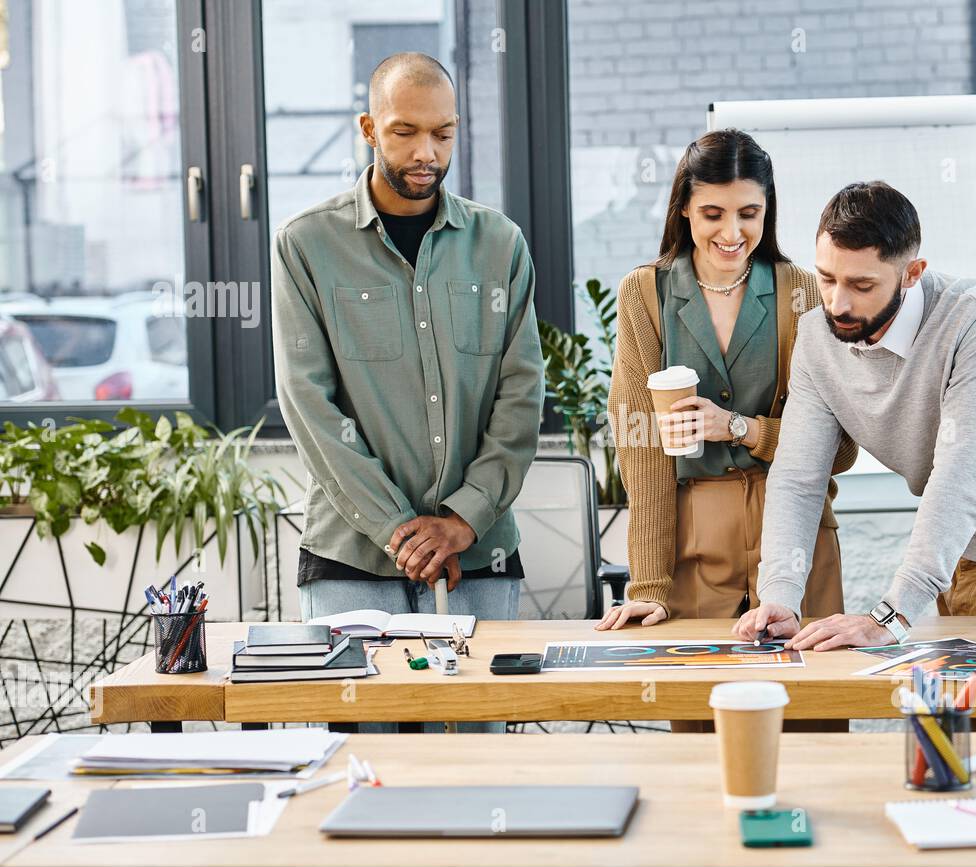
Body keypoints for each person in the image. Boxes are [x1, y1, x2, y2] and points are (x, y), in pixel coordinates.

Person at [271, 53, 543, 732]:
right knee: (361, 763)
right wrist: (399, 531)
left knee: (473, 758)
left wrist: (463, 517)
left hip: (478, 555)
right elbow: (308, 403)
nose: (426, 153)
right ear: (368, 128)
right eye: (405, 132)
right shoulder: (304, 246)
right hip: (348, 564)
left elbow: (521, 396)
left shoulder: (500, 244)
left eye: (443, 134)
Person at [735, 180, 976, 666]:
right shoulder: (818, 336)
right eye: (826, 279)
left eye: (862, 285)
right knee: (952, 726)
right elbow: (799, 477)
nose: (838, 304)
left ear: (912, 273)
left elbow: (961, 473)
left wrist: (890, 615)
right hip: (957, 556)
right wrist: (778, 595)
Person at [599, 130, 856, 732]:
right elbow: (641, 450)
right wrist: (650, 584)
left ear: (768, 210)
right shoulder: (647, 293)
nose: (732, 232)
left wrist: (739, 427)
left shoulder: (804, 292)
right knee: (700, 724)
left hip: (797, 530)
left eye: (750, 214)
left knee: (812, 720)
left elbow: (840, 449)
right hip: (693, 538)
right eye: (712, 213)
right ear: (683, 208)